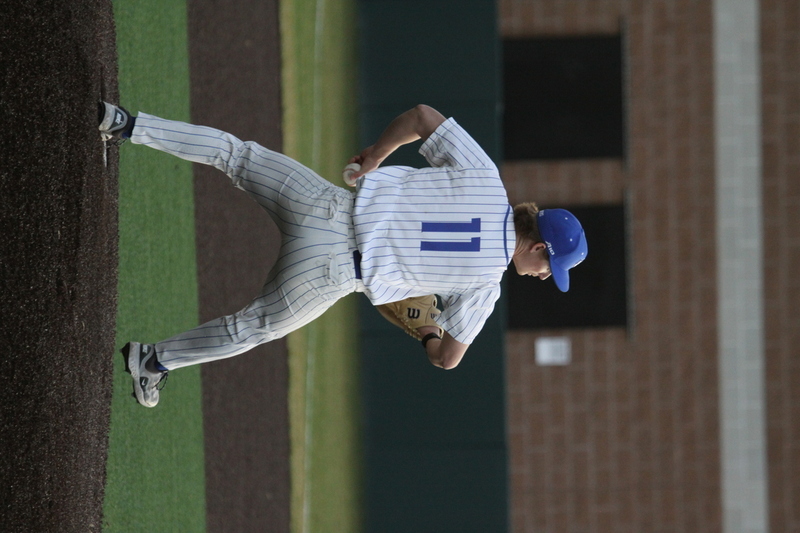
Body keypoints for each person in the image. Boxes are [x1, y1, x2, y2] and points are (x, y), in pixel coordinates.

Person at [99, 102, 587, 407]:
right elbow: (446, 361)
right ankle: (152, 360)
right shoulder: (485, 287)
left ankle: (125, 124)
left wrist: (376, 154)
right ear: (539, 245)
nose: (545, 275)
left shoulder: (486, 178)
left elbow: (421, 117)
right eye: (550, 267)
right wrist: (428, 331)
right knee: (250, 329)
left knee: (236, 154)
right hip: (328, 273)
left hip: (325, 203)